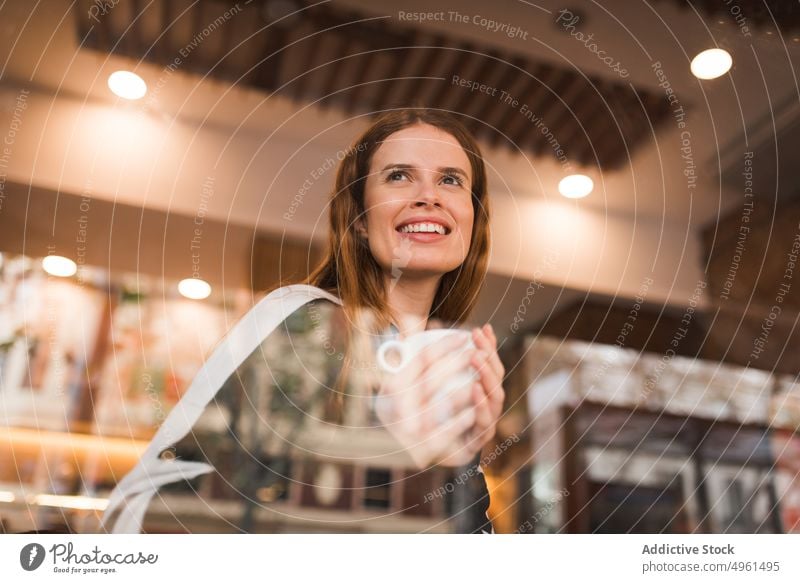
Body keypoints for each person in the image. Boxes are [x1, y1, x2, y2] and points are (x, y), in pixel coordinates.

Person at [101, 109, 505, 534]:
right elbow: (149, 503)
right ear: (361, 219)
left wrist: (459, 463)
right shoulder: (297, 318)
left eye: (451, 179)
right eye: (399, 176)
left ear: (472, 218)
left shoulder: (455, 374)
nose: (429, 196)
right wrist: (397, 446)